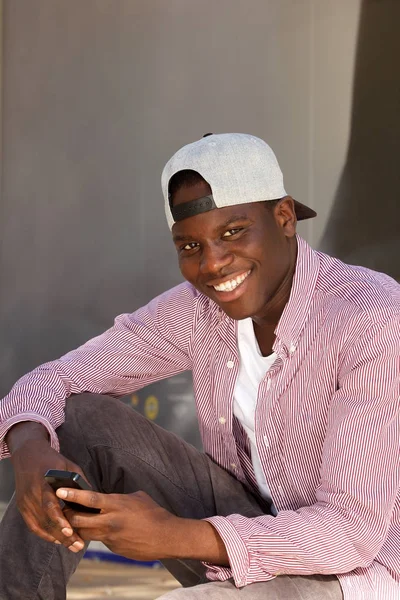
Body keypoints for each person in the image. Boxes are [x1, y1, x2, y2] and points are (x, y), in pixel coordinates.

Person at [0, 133, 399, 600]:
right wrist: (27, 446)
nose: (212, 264)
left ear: (284, 218)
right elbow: (58, 379)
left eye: (233, 232)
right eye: (190, 246)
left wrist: (173, 535)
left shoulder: (372, 318)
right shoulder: (197, 310)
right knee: (79, 418)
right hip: (248, 526)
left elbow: (351, 532)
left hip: (356, 570)